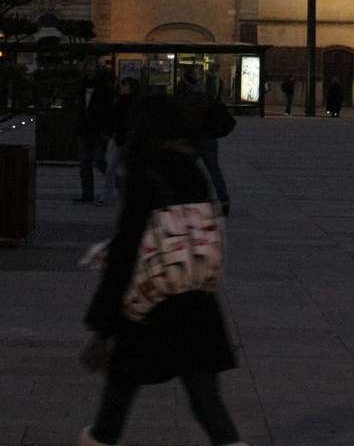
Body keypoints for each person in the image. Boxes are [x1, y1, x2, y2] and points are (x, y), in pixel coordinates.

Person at [79, 94, 243, 446]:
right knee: (207, 401)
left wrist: (102, 326)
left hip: (151, 304)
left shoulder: (144, 172)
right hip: (196, 303)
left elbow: (127, 248)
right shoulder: (193, 170)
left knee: (117, 399)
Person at [176, 67, 236, 216]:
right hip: (209, 139)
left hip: (193, 140)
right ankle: (224, 200)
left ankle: (184, 202)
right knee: (214, 171)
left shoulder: (182, 98)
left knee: (183, 170)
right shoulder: (205, 95)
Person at [97, 77, 141, 207]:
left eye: (125, 86)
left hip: (130, 140)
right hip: (120, 140)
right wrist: (108, 132)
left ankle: (130, 196)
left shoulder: (135, 104)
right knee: (111, 168)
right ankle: (105, 196)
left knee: (129, 170)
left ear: (131, 89)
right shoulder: (119, 102)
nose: (122, 88)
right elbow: (113, 120)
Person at [76, 61, 115, 204]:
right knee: (84, 163)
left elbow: (109, 109)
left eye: (91, 65)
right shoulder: (80, 85)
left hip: (99, 130)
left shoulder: (104, 87)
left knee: (99, 161)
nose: (88, 67)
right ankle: (87, 194)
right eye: (87, 65)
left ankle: (118, 182)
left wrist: (107, 130)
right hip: (84, 129)